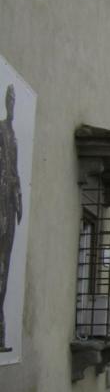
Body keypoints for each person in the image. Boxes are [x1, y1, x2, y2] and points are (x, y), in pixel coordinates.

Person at [0, 84, 22, 352]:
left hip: (10, 202)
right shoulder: (2, 130)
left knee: (5, 267)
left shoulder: (12, 131)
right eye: (9, 98)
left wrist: (18, 199)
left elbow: (15, 170)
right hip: (3, 205)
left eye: (14, 99)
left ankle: (2, 333)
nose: (12, 103)